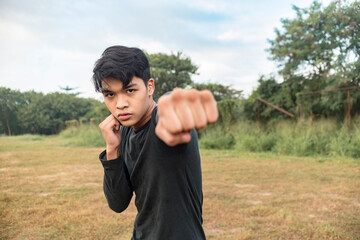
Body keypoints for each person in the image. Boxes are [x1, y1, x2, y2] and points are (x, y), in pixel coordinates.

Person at [92, 45, 218, 240]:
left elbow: (169, 110)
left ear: (150, 87)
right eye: (110, 94)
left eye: (130, 90)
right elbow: (118, 203)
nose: (120, 104)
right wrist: (112, 148)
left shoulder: (162, 120)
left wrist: (176, 109)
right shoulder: (124, 133)